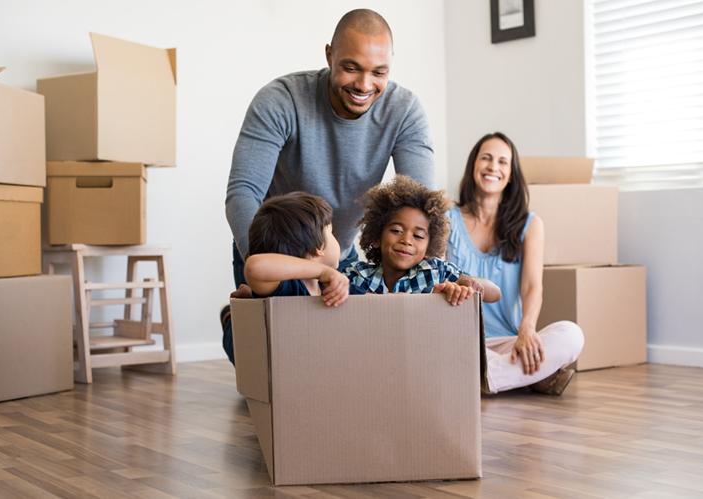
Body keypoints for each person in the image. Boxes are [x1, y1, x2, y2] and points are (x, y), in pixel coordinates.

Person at [225, 8, 434, 286]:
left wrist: (433, 276)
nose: (364, 85)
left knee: (343, 330)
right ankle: (234, 322)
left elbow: (422, 206)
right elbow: (243, 192)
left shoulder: (405, 112)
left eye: (379, 72)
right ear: (329, 55)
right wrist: (267, 266)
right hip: (272, 254)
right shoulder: (281, 100)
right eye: (351, 68)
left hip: (339, 255)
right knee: (255, 330)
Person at [446, 132, 584, 395]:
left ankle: (486, 379)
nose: (493, 167)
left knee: (572, 334)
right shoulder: (446, 218)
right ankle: (530, 377)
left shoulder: (530, 226)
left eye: (502, 162)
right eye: (486, 158)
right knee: (446, 350)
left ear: (511, 174)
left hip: (508, 342)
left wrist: (528, 329)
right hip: (458, 340)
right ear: (473, 165)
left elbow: (532, 287)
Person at [222, 192, 349, 364]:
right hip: (266, 361)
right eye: (331, 232)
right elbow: (254, 266)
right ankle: (231, 317)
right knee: (241, 343)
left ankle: (251, 297)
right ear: (319, 247)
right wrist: (322, 271)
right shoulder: (287, 289)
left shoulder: (329, 287)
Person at [343, 175, 501, 305]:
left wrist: (469, 283)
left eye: (418, 236)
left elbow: (495, 293)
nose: (406, 240)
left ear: (429, 247)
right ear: (377, 236)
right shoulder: (358, 275)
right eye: (396, 230)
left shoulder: (437, 272)